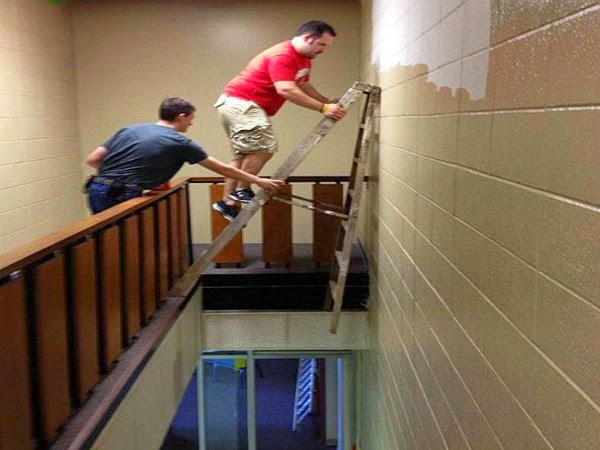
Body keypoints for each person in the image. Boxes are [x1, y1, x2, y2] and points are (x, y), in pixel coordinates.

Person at [212, 20, 347, 221]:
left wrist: (326, 102)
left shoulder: (304, 60)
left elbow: (303, 85)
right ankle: (241, 190)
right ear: (308, 38)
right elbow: (286, 89)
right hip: (241, 102)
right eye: (321, 44)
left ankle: (227, 203)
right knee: (264, 148)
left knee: (243, 155)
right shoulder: (282, 55)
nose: (323, 50)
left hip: (237, 104)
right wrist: (323, 108)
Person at [85, 97, 284, 215]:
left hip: (96, 188)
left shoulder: (130, 130)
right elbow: (223, 169)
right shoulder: (179, 142)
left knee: (103, 240)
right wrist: (257, 180)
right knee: (123, 245)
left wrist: (116, 177)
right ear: (181, 116)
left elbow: (93, 159)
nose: (191, 123)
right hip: (123, 195)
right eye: (191, 118)